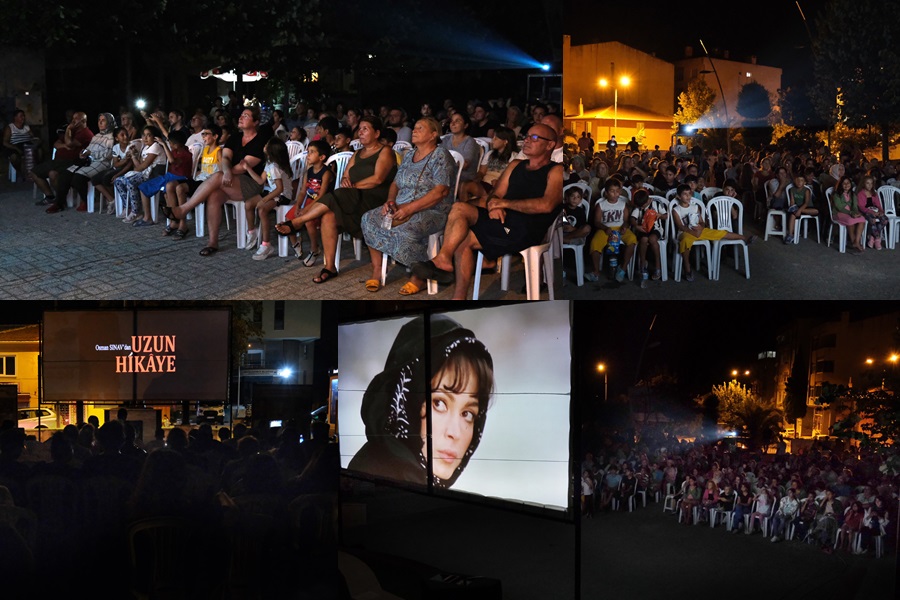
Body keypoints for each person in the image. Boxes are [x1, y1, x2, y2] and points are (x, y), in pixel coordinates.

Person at [409, 123, 563, 300]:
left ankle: (446, 265)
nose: (527, 140)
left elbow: (546, 205)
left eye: (534, 138)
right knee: (459, 210)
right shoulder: (516, 165)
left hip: (525, 230)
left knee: (462, 237)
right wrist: (492, 205)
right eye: (527, 136)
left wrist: (503, 204)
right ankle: (448, 271)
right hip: (502, 222)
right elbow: (495, 194)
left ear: (550, 145)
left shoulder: (556, 170)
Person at [346, 314, 494, 488]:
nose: (455, 433)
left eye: (467, 414)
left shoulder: (417, 483)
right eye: (439, 403)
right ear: (405, 399)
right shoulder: (374, 482)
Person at [274, 116, 397, 283]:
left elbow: (377, 179)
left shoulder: (385, 151)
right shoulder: (357, 154)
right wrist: (347, 182)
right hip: (353, 198)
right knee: (328, 216)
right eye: (359, 128)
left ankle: (298, 222)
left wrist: (352, 185)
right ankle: (330, 267)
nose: (360, 132)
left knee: (337, 194)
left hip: (375, 199)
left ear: (376, 133)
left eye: (365, 129)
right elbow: (346, 175)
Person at [361, 117, 455, 294]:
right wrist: (390, 201)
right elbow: (395, 184)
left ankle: (419, 277)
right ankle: (377, 270)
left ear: (433, 134)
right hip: (401, 206)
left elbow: (441, 191)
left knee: (406, 229)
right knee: (368, 219)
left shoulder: (440, 155)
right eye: (414, 127)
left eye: (420, 128)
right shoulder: (410, 154)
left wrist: (409, 208)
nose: (415, 130)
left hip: (432, 210)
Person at [163, 107, 271, 256]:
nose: (241, 117)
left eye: (246, 116)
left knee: (218, 176)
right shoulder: (234, 138)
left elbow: (244, 166)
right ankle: (212, 242)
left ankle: (183, 209)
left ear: (256, 122)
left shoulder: (260, 141)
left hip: (252, 183)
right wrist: (226, 171)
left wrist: (224, 173)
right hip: (229, 181)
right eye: (241, 115)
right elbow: (225, 158)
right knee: (214, 195)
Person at [671, 184, 754, 281]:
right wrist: (693, 233)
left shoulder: (695, 207)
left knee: (720, 233)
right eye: (685, 194)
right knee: (685, 241)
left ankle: (744, 238)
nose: (688, 196)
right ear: (679, 196)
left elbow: (702, 222)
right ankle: (687, 267)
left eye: (689, 194)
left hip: (699, 231)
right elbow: (680, 226)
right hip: (685, 232)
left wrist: (700, 228)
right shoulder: (676, 210)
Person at [46, 113, 117, 214]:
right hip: (91, 161)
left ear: (109, 122)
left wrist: (91, 154)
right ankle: (59, 203)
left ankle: (86, 200)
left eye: (103, 120)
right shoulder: (97, 136)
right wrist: (84, 153)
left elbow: (107, 155)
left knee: (77, 178)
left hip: (102, 163)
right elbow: (89, 149)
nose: (100, 122)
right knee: (66, 174)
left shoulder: (111, 137)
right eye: (99, 120)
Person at [241, 137, 294, 260]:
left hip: (283, 196)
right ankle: (252, 233)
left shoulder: (275, 167)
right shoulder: (269, 164)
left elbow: (280, 189)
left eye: (267, 144)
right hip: (272, 192)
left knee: (262, 209)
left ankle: (266, 245)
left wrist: (264, 200)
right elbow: (260, 180)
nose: (264, 145)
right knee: (248, 204)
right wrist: (247, 168)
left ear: (271, 150)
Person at [130, 128, 193, 227]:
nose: (170, 145)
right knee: (143, 187)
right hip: (169, 176)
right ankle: (148, 217)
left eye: (170, 143)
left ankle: (173, 221)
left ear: (176, 145)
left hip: (181, 178)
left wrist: (163, 145)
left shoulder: (186, 154)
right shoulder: (175, 151)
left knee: (166, 193)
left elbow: (172, 161)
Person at [30, 111, 94, 205]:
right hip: (58, 161)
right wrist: (65, 145)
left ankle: (61, 198)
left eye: (75, 119)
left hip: (71, 162)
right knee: (34, 172)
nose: (72, 121)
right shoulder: (73, 131)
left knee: (53, 174)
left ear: (83, 121)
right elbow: (56, 144)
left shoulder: (85, 133)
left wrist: (68, 129)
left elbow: (69, 143)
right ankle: (50, 196)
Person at [289, 139, 333, 265]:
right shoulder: (308, 172)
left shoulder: (326, 173)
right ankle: (296, 243)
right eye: (308, 151)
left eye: (312, 152)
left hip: (321, 203)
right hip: (308, 201)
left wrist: (306, 209)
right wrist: (298, 206)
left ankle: (315, 249)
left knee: (308, 222)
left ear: (322, 157)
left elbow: (322, 195)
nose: (308, 154)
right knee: (288, 221)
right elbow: (303, 191)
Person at [587, 179, 636, 283]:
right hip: (606, 229)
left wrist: (624, 227)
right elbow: (596, 221)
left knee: (632, 240)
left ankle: (623, 268)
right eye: (612, 191)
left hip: (620, 228)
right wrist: (605, 228)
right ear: (606, 192)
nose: (615, 194)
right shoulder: (601, 205)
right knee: (595, 243)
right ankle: (596, 272)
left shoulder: (623, 204)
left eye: (617, 191)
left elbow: (626, 221)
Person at [114, 125, 165, 223]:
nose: (145, 138)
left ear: (154, 137)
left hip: (154, 175)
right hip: (145, 173)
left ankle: (136, 211)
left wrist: (137, 164)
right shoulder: (145, 147)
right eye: (143, 135)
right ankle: (128, 207)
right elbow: (139, 166)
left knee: (130, 181)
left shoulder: (155, 146)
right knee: (118, 181)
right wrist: (133, 155)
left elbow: (142, 166)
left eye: (148, 135)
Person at [460, 126, 516, 202]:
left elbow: (512, 178)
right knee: (464, 185)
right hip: (485, 184)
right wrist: (478, 177)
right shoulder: (490, 154)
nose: (492, 141)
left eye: (496, 138)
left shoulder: (513, 157)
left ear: (505, 141)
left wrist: (499, 182)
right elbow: (482, 172)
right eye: (493, 137)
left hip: (499, 185)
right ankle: (465, 207)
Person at [629, 188, 666, 284]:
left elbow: (666, 216)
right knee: (644, 239)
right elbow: (632, 219)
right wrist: (637, 226)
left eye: (643, 206)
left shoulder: (657, 204)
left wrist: (659, 215)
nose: (641, 208)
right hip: (643, 229)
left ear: (648, 200)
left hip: (656, 229)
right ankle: (642, 264)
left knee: (652, 239)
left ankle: (658, 266)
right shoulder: (639, 206)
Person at [440, 111, 479, 201]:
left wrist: (445, 164)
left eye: (457, 121)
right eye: (451, 121)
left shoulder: (470, 142)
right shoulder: (446, 140)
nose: (453, 124)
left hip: (464, 177)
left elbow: (464, 165)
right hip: (447, 176)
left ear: (465, 125)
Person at [830, 175, 866, 254]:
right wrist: (851, 213)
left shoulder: (853, 194)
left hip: (850, 214)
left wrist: (855, 213)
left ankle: (856, 241)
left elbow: (855, 206)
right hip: (839, 214)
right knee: (850, 220)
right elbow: (839, 208)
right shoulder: (837, 194)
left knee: (862, 219)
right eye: (844, 183)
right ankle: (855, 242)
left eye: (848, 183)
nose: (846, 185)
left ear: (851, 184)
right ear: (840, 185)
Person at [784, 173, 818, 244]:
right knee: (793, 215)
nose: (799, 182)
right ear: (794, 181)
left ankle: (797, 211)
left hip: (806, 207)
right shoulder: (792, 189)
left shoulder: (806, 190)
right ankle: (790, 234)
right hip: (797, 207)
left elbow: (806, 203)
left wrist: (799, 210)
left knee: (816, 211)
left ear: (804, 182)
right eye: (797, 180)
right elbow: (792, 201)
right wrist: (793, 207)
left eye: (801, 180)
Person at [2, 109, 38, 175]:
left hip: (27, 146)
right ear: (15, 118)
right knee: (14, 157)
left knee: (40, 152)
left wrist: (35, 140)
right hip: (15, 146)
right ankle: (20, 172)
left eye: (23, 116)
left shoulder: (26, 127)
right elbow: (5, 142)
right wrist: (16, 148)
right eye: (21, 116)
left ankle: (35, 171)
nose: (23, 118)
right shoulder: (10, 127)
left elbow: (32, 137)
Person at [857, 175, 888, 249]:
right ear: (863, 183)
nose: (870, 185)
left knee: (885, 220)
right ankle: (877, 239)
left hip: (875, 211)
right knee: (872, 220)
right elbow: (861, 207)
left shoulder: (874, 193)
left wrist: (881, 211)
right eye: (867, 183)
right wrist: (872, 212)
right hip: (865, 212)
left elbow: (878, 205)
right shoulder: (860, 194)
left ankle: (872, 237)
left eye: (871, 183)